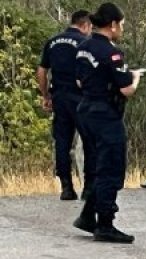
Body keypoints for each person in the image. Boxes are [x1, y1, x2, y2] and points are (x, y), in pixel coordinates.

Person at [73, 2, 140, 243]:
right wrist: (135, 78)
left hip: (86, 110)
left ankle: (88, 215)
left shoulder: (83, 48)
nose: (121, 28)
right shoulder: (112, 52)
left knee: (97, 165)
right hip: (105, 114)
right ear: (112, 25)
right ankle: (105, 223)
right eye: (120, 24)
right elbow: (126, 89)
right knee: (111, 166)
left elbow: (79, 82)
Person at [39, 10, 92, 200]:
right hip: (81, 98)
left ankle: (66, 188)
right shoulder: (85, 43)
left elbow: (42, 70)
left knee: (62, 142)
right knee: (89, 141)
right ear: (85, 25)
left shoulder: (52, 42)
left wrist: (46, 95)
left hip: (59, 97)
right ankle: (88, 187)